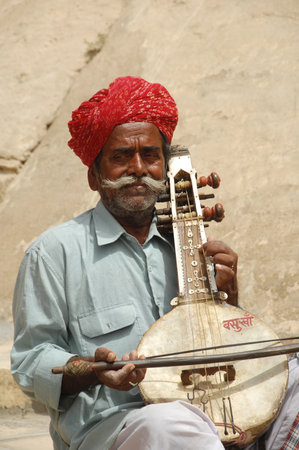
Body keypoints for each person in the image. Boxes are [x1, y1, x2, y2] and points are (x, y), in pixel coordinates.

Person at [11, 76, 298, 450]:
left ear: (165, 167)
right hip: (120, 427)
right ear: (93, 176)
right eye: (120, 157)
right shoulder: (53, 254)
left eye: (150, 155)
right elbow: (31, 363)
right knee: (173, 422)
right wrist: (95, 372)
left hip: (216, 413)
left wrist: (230, 299)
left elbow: (222, 349)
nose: (139, 168)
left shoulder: (189, 246)